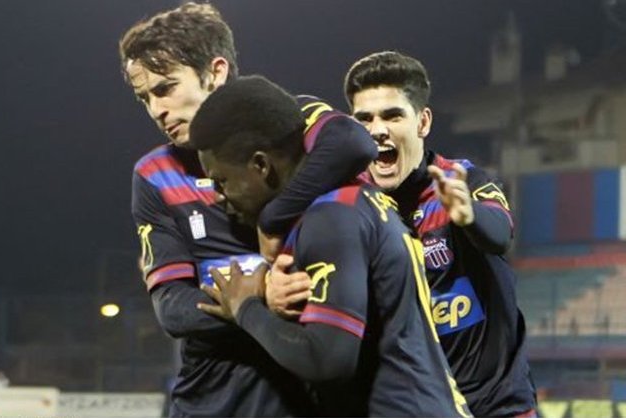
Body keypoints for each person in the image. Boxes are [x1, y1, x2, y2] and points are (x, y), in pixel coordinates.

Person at [118, 3, 376, 416]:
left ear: (216, 72)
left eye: (165, 88)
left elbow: (355, 143)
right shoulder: (155, 174)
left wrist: (273, 219)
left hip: (310, 394)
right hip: (212, 400)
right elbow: (172, 308)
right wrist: (257, 295)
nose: (155, 110)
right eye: (144, 97)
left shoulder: (287, 122)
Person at [189, 74, 472, 417]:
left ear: (261, 165)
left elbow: (328, 360)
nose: (219, 196)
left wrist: (246, 309)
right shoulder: (349, 201)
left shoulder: (330, 217)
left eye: (222, 181)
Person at [342, 51, 537, 417]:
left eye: (392, 115)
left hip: (495, 407)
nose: (377, 129)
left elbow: (499, 234)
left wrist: (468, 215)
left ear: (423, 122)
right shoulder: (352, 205)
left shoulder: (463, 180)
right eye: (364, 118)